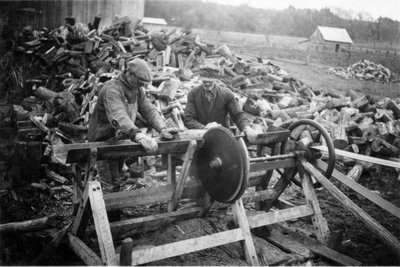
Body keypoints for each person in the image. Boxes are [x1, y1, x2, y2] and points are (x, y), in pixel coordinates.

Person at [88, 58, 172, 184]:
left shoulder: (136, 89)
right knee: (110, 184)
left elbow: (148, 109)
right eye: (140, 82)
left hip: (120, 140)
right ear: (130, 74)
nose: (142, 86)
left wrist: (162, 128)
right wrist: (138, 135)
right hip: (103, 141)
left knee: (117, 179)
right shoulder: (112, 89)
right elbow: (119, 115)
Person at [183, 74, 257, 141]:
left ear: (215, 79)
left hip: (223, 137)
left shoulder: (226, 94)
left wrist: (246, 127)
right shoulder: (193, 93)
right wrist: (204, 127)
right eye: (204, 80)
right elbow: (188, 119)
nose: (207, 83)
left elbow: (237, 115)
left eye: (210, 81)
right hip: (201, 137)